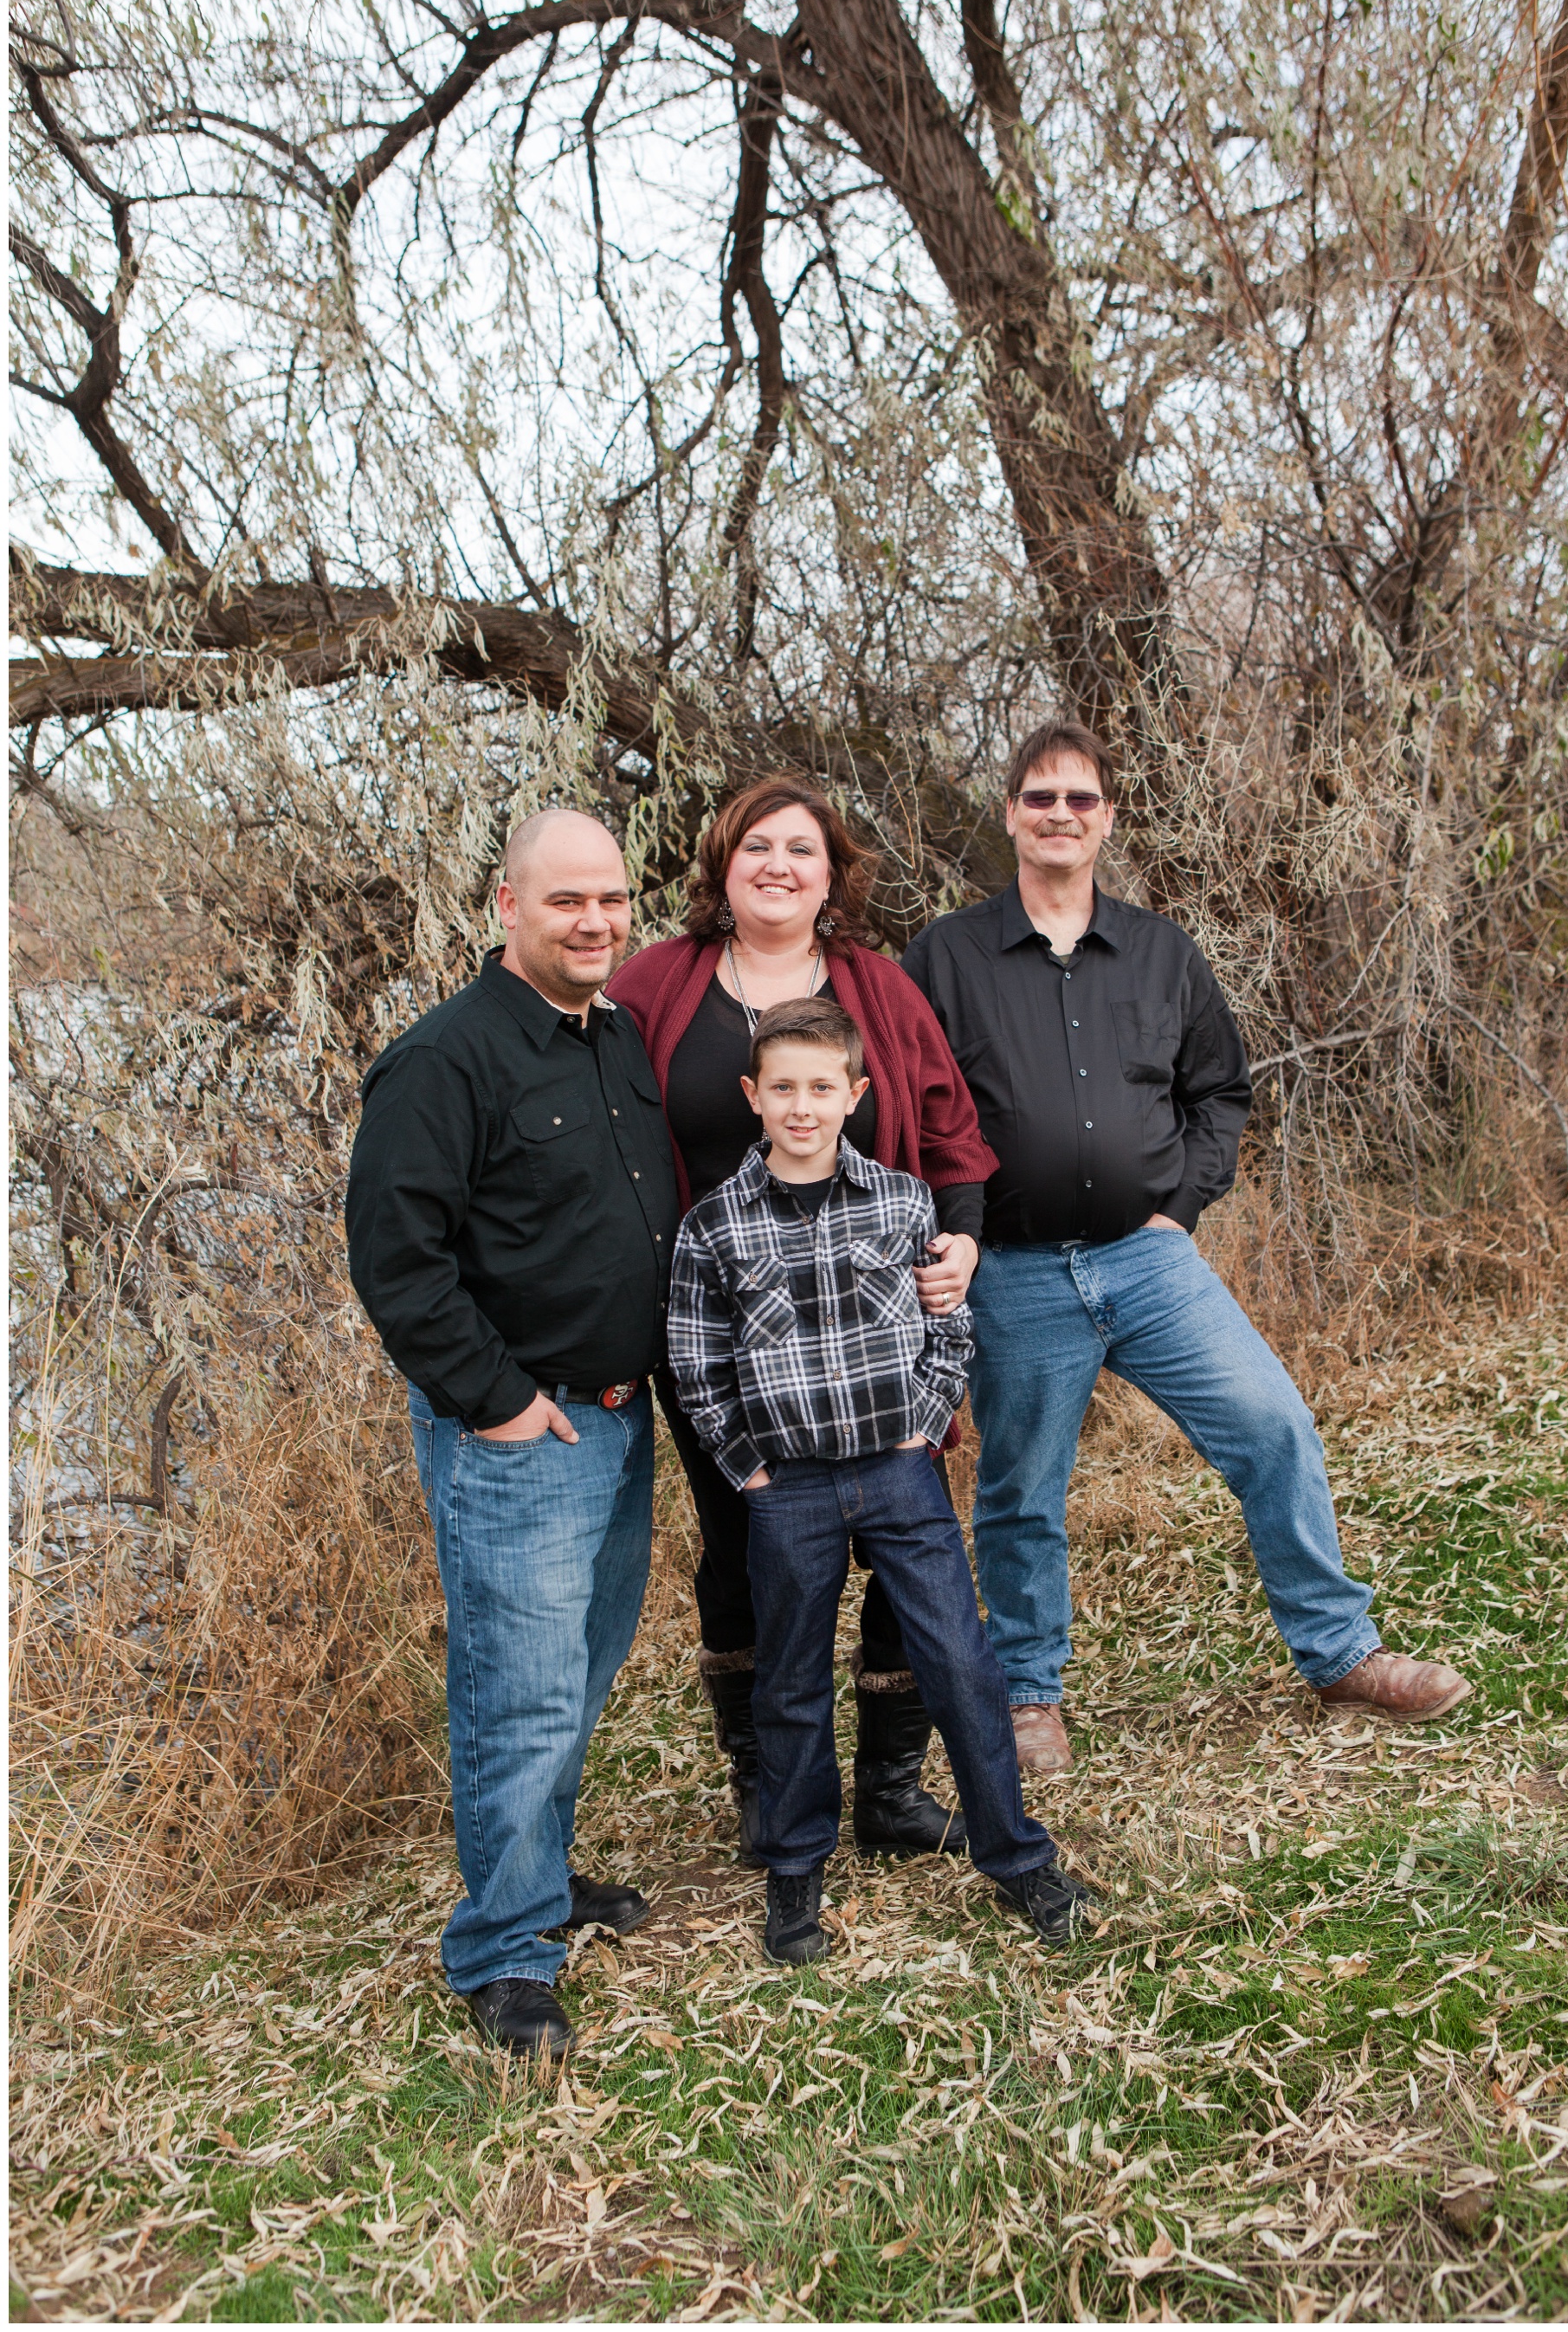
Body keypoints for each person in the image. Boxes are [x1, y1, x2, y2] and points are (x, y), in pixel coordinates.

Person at [900, 720, 1470, 1773]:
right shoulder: (945, 956)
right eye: (1040, 797)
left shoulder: (1161, 951)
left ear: (1107, 816)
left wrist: (1182, 1203)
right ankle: (1030, 1694)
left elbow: (1220, 1092)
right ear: (1011, 813)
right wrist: (952, 1234)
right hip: (1015, 1272)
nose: (1060, 814)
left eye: (1080, 798)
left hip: (1149, 1260)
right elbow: (915, 1108)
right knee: (1022, 1490)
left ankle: (1341, 1652)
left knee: (1274, 1426)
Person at [608, 778, 998, 1863]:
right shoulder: (655, 986)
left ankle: (890, 1786)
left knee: (902, 1545)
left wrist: (959, 1238)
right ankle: (768, 1785)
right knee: (742, 1553)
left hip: (876, 1330)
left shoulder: (882, 990)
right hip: (725, 1343)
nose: (778, 864)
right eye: (756, 847)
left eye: (802, 849)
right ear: (720, 868)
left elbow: (948, 1128)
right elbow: (601, 1130)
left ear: (833, 875)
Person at [345, 809, 678, 2062]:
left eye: (610, 900)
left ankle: (538, 1882)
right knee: (517, 1698)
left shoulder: (618, 1039)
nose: (594, 922)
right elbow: (398, 1261)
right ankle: (503, 1955)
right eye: (565, 903)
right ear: (505, 908)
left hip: (618, 1418)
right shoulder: (443, 1062)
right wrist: (496, 1403)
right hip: (520, 1435)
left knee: (574, 1680)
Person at [668, 996, 1088, 1963]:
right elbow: (696, 1361)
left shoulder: (901, 1201)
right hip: (792, 1489)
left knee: (960, 1663)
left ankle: (1016, 1855)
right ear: (753, 1095)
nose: (803, 1106)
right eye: (783, 1088)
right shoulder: (714, 1227)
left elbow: (948, 1323)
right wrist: (752, 1468)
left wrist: (925, 1422)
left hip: (899, 1473)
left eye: (822, 1087)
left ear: (855, 1093)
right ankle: (794, 1866)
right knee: (790, 1680)